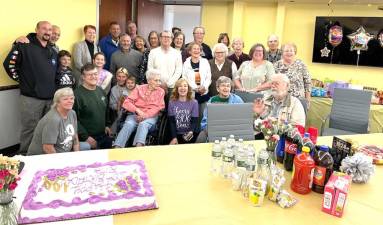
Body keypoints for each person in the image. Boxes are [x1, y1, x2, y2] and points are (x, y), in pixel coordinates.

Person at [3, 21, 58, 155]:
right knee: (30, 130)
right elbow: (9, 64)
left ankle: (43, 155)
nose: (47, 32)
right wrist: (22, 80)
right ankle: (26, 156)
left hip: (50, 99)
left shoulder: (52, 50)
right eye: (44, 28)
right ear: (37, 30)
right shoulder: (24, 45)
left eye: (50, 29)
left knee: (47, 129)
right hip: (31, 99)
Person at [113, 69, 165, 148]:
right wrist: (138, 111)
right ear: (149, 80)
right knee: (129, 124)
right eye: (156, 80)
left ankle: (139, 148)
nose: (159, 83)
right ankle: (117, 147)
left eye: (159, 80)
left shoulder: (161, 91)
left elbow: (158, 107)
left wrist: (144, 115)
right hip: (135, 115)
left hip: (150, 116)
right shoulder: (139, 88)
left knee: (143, 124)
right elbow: (126, 103)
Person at [27, 88, 79, 155]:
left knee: (85, 146)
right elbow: (47, 148)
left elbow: (75, 137)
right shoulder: (53, 119)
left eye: (71, 98)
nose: (70, 101)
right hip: (45, 157)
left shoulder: (72, 113)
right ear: (57, 102)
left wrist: (77, 156)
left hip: (66, 153)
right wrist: (64, 163)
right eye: (65, 99)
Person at [73, 63, 113, 150]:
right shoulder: (77, 95)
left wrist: (107, 125)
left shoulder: (101, 91)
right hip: (89, 140)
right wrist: (86, 137)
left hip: (104, 136)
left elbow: (106, 111)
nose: (93, 77)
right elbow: (73, 119)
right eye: (90, 75)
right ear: (83, 77)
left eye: (95, 74)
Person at [196, 76, 244, 143]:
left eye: (228, 86)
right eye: (223, 85)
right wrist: (208, 129)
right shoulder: (212, 100)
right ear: (218, 88)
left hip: (232, 129)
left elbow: (243, 117)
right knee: (200, 138)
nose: (226, 88)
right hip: (215, 129)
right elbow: (205, 119)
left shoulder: (237, 99)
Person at [148, 30, 182, 95]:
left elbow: (178, 71)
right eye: (164, 37)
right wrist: (159, 83)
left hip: (172, 87)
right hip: (156, 86)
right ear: (160, 39)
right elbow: (150, 69)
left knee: (170, 105)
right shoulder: (153, 52)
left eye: (168, 37)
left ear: (172, 39)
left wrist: (168, 84)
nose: (166, 39)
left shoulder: (177, 53)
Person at [182, 42, 211, 116]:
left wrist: (204, 87)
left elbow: (208, 77)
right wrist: (195, 88)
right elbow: (185, 78)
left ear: (200, 51)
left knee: (203, 115)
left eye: (198, 49)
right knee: (193, 116)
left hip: (204, 93)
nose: (196, 51)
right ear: (190, 51)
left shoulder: (205, 62)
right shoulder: (186, 63)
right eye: (194, 49)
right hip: (191, 94)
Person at [168, 79, 199, 145]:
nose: (183, 88)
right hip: (175, 134)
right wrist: (174, 137)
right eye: (180, 86)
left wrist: (190, 132)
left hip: (190, 133)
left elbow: (194, 121)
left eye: (185, 86)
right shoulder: (171, 102)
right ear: (177, 89)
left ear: (188, 88)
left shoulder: (194, 102)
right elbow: (172, 122)